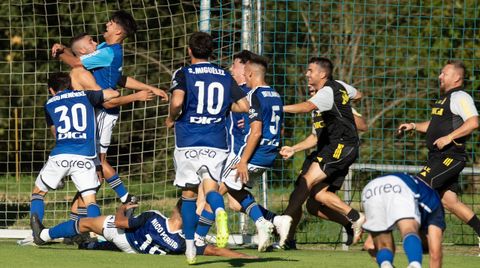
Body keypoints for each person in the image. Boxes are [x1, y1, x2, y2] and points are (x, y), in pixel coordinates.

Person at [51, 11, 168, 206]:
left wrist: (62, 51)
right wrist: (150, 87)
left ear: (119, 31)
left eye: (111, 23)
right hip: (95, 110)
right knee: (91, 162)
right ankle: (79, 215)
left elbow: (77, 63)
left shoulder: (109, 52)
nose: (106, 24)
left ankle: (121, 198)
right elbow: (120, 79)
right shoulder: (106, 48)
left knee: (97, 163)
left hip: (105, 112)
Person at [166, 31, 250, 264]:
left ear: (190, 51)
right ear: (211, 51)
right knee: (211, 188)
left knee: (189, 194)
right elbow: (243, 106)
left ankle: (191, 247)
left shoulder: (183, 72)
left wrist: (171, 118)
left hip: (188, 141)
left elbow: (177, 101)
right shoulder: (224, 75)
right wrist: (222, 109)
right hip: (216, 142)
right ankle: (219, 211)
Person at [278, 57, 365, 248]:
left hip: (341, 146)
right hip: (335, 147)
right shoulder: (338, 88)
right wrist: (294, 148)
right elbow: (358, 94)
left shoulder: (326, 93)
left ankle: (284, 224)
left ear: (322, 74)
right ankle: (352, 220)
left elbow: (307, 106)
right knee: (315, 201)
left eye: (310, 70)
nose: (307, 74)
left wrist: (277, 108)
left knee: (306, 180)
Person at [398, 60, 480, 250]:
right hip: (438, 157)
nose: (439, 76)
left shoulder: (460, 96)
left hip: (450, 157)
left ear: (457, 78)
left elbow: (474, 121)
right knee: (450, 202)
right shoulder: (444, 100)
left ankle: (421, 239)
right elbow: (433, 126)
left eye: (444, 73)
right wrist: (413, 126)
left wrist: (449, 137)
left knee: (417, 187)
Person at [218, 53, 291, 252]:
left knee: (216, 191)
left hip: (252, 154)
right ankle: (276, 219)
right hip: (268, 154)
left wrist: (242, 161)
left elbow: (256, 130)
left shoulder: (253, 96)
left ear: (249, 73)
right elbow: (278, 127)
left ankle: (262, 222)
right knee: (235, 199)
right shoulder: (275, 94)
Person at [29, 72, 119, 227]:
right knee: (90, 200)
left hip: (61, 154)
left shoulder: (49, 104)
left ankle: (36, 230)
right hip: (85, 156)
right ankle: (94, 233)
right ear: (70, 85)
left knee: (38, 193)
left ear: (51, 90)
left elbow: (55, 131)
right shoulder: (86, 95)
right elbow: (114, 94)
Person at [30, 200, 257, 260]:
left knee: (87, 223)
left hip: (125, 238)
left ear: (175, 209)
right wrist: (245, 256)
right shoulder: (183, 243)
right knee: (115, 241)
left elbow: (120, 223)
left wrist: (122, 208)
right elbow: (215, 251)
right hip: (136, 253)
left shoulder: (153, 216)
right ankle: (89, 245)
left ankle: (43, 235)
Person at [361, 173, 445, 268]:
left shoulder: (426, 196)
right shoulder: (436, 209)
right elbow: (435, 255)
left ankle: (385, 264)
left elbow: (368, 245)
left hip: (371, 188)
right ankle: (415, 264)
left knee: (384, 245)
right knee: (409, 229)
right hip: (399, 185)